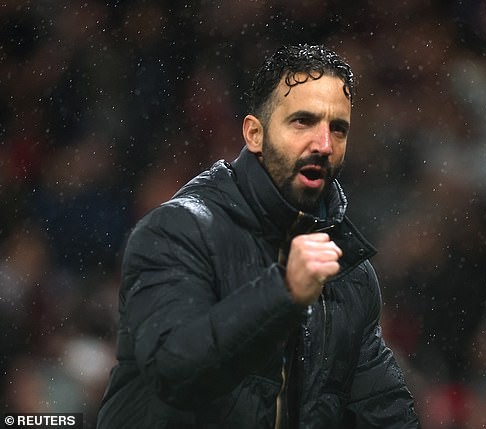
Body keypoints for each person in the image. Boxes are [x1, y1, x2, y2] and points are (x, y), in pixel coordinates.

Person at [96, 44, 420, 429]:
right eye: (303, 121)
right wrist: (283, 292)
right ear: (254, 134)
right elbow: (173, 370)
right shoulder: (176, 231)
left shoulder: (349, 271)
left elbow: (384, 410)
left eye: (338, 128)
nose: (324, 144)